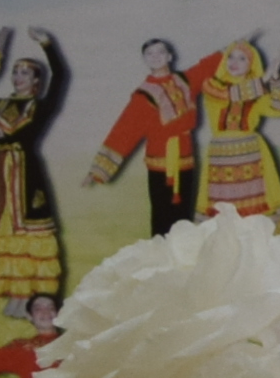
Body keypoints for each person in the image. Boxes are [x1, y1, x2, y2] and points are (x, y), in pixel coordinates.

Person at [0, 28, 71, 306]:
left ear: (37, 81)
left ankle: (32, 295)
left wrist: (47, 44)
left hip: (27, 176)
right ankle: (13, 294)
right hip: (0, 179)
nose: (18, 77)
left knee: (30, 231)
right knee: (4, 229)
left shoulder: (41, 107)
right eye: (15, 72)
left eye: (25, 73)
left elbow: (61, 75)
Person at [83, 38, 202, 233]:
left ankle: (185, 252)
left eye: (160, 52)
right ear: (144, 59)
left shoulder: (185, 81)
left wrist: (239, 44)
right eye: (149, 54)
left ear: (170, 56)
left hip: (186, 159)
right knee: (162, 216)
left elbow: (209, 66)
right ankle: (160, 251)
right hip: (160, 164)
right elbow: (124, 131)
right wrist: (98, 170)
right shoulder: (144, 95)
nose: (155, 57)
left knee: (184, 216)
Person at [195, 40, 280, 224]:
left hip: (251, 153)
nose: (234, 62)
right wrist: (264, 80)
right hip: (221, 156)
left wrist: (274, 78)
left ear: (251, 64)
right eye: (231, 57)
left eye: (242, 59)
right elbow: (230, 94)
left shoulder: (257, 90)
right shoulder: (213, 84)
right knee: (221, 203)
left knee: (256, 202)